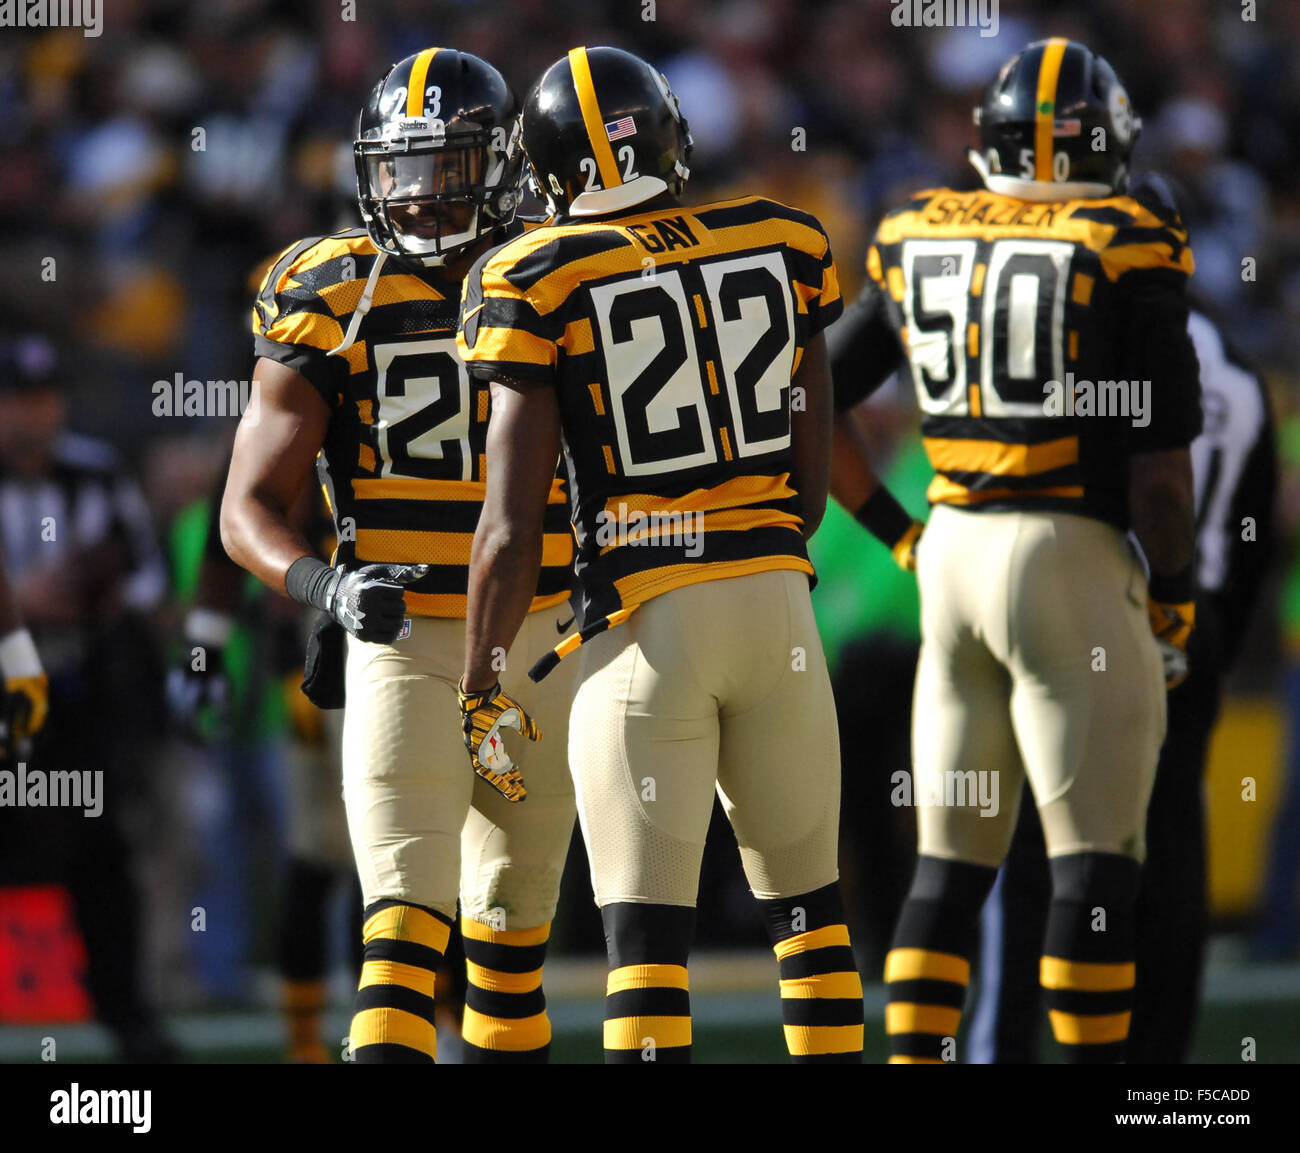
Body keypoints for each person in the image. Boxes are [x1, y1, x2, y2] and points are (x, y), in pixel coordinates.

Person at [456, 45, 863, 1064]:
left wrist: (479, 682)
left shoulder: (536, 273)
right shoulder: (780, 234)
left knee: (645, 952)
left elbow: (507, 529)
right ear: (672, 137)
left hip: (644, 630)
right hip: (779, 609)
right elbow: (809, 491)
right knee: (813, 932)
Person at [830, 38, 1201, 1063]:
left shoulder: (917, 225)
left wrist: (896, 533)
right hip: (1070, 557)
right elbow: (1161, 482)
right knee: (1092, 869)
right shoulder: (1127, 237)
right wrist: (1173, 592)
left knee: (946, 869)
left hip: (950, 554)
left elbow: (805, 397)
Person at [220, 47, 578, 1065]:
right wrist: (323, 584)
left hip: (544, 638)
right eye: (403, 166)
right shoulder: (331, 286)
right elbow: (245, 506)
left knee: (509, 947)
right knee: (401, 940)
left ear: (502, 164)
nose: (421, 195)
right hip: (407, 635)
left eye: (449, 165)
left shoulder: (560, 268)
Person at [967, 303, 1277, 1063]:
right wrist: (1204, 640)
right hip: (1186, 621)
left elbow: (1140, 487)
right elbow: (1254, 529)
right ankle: (1152, 1066)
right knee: (1167, 853)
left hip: (1089, 607)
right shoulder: (1237, 369)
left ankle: (1000, 1044)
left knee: (1036, 847)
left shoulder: (1091, 333)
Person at [0, 330, 175, 1061]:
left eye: (44, 399)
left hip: (76, 696)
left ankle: (128, 1016)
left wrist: (96, 594)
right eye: (17, 399)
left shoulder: (96, 473)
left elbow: (149, 578)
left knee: (101, 857)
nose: (33, 415)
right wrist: (24, 602)